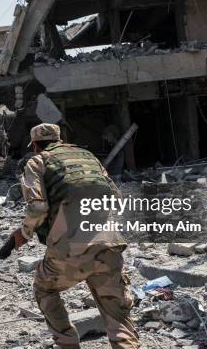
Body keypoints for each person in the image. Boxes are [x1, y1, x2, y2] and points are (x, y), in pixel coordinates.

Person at [11, 123, 139, 349]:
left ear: (36, 146)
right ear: (59, 140)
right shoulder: (87, 156)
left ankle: (67, 344)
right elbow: (117, 198)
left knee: (45, 288)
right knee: (118, 316)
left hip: (70, 251)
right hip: (109, 245)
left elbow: (38, 208)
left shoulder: (37, 161)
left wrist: (24, 233)